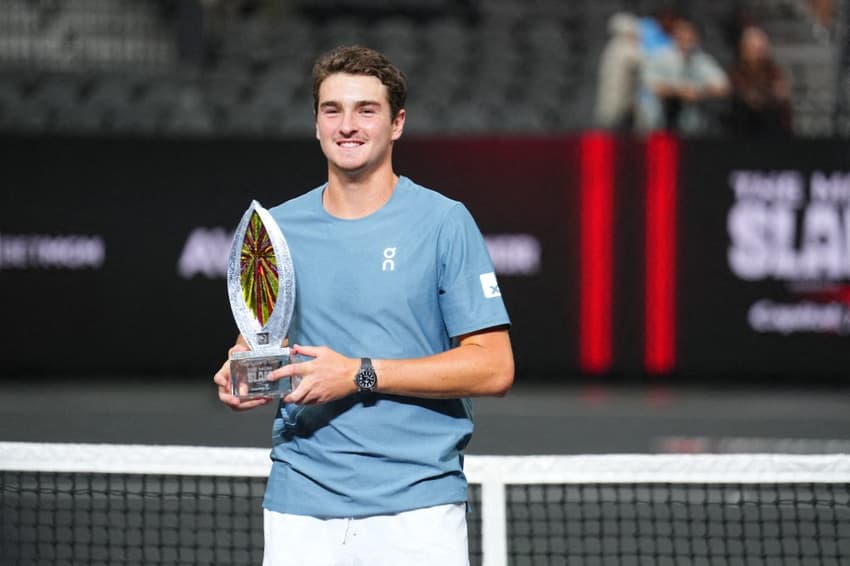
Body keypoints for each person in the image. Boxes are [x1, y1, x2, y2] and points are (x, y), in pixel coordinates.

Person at [213, 45, 514, 566]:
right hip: (300, 509)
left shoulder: (444, 222)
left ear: (396, 124)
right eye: (333, 110)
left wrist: (361, 374)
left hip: (417, 511)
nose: (347, 125)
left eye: (365, 110)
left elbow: (494, 366)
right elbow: (260, 338)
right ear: (316, 124)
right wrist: (242, 370)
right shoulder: (277, 228)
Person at [637, 18, 731, 135]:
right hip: (660, 120)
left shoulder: (701, 60)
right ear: (674, 34)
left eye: (689, 33)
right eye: (682, 32)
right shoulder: (660, 56)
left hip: (691, 125)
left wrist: (700, 92)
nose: (686, 37)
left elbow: (723, 86)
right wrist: (678, 91)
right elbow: (649, 83)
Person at [728, 25, 792, 136]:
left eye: (761, 49)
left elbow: (781, 94)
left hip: (773, 129)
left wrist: (774, 95)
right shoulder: (737, 73)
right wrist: (766, 95)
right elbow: (750, 99)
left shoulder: (773, 71)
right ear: (744, 50)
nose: (759, 54)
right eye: (755, 49)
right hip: (744, 129)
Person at [594, 12, 643, 131]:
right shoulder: (625, 48)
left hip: (621, 101)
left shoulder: (611, 47)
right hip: (619, 103)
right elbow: (643, 63)